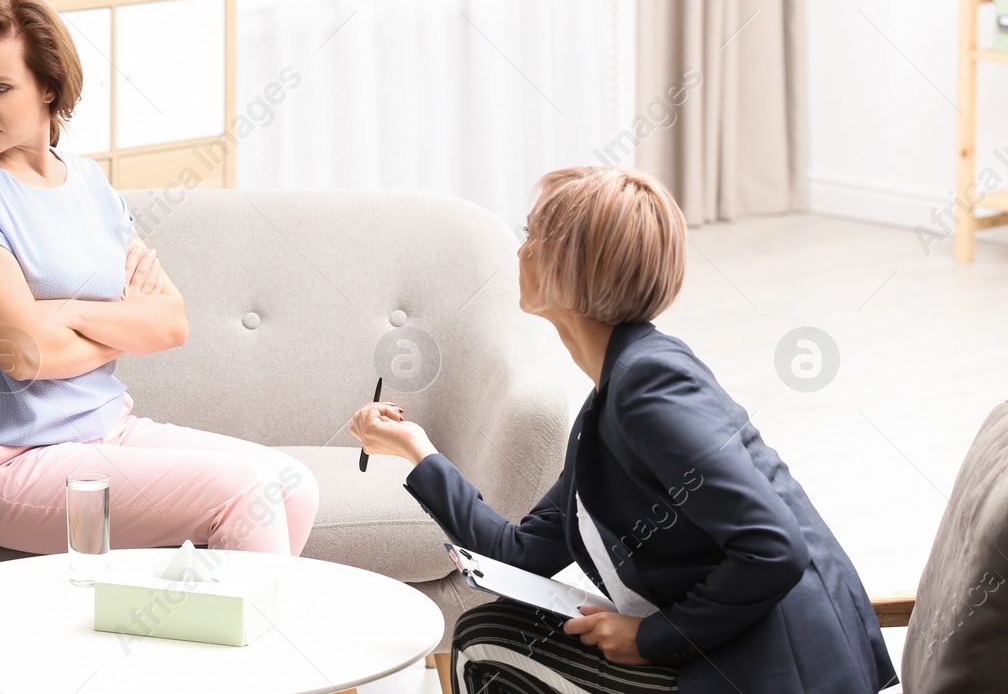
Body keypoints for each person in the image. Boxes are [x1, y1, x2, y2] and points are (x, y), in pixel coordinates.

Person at [350, 166, 896, 694]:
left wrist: (653, 638)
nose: (520, 251)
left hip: (779, 670)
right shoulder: (613, 395)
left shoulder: (648, 387)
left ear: (571, 266)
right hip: (734, 650)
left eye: (534, 236)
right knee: (492, 634)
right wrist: (415, 450)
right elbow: (518, 555)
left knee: (485, 646)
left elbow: (773, 548)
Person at [0, 0, 317, 557]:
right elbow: (26, 354)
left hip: (106, 429)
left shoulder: (89, 182)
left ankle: (216, 634)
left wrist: (67, 315)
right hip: (5, 459)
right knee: (247, 494)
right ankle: (259, 646)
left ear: (48, 86)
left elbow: (171, 324)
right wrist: (115, 325)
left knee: (294, 487)